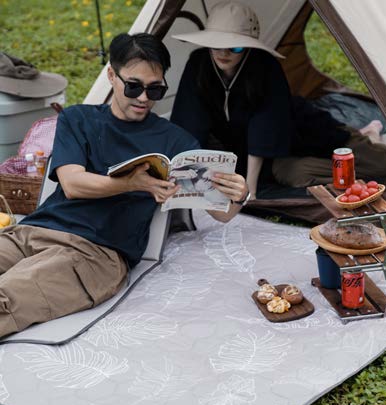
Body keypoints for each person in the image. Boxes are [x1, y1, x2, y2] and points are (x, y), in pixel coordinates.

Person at [0, 32, 248, 339]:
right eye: (134, 86)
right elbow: (73, 183)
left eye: (155, 89)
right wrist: (132, 183)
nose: (143, 97)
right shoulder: (79, 118)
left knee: (7, 297)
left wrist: (238, 195)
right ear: (111, 75)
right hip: (32, 232)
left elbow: (220, 214)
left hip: (96, 254)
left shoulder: (176, 142)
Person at [171, 1, 386, 200]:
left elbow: (264, 129)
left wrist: (251, 190)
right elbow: (189, 122)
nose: (223, 53)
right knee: (294, 175)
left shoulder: (265, 66)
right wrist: (186, 182)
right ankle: (365, 136)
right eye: (216, 44)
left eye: (234, 47)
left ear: (248, 47)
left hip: (308, 133)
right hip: (275, 157)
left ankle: (369, 135)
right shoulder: (199, 65)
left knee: (382, 164)